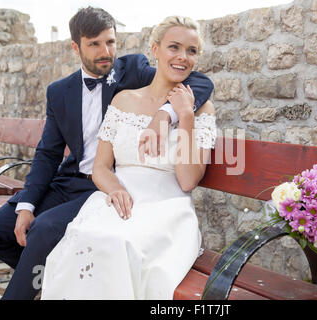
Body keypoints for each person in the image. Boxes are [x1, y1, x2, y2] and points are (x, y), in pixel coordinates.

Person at [0, 7, 213, 300]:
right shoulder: (61, 91)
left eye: (110, 42)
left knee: (45, 230)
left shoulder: (133, 71)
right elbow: (47, 154)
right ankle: (52, 278)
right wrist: (26, 205)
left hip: (114, 190)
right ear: (76, 46)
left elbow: (199, 80)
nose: (105, 51)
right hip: (76, 182)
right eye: (94, 43)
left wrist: (168, 114)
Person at [40, 15, 216, 300]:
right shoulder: (123, 100)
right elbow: (100, 168)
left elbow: (187, 181)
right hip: (119, 199)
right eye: (174, 47)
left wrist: (184, 116)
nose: (183, 57)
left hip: (166, 208)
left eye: (191, 51)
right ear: (155, 50)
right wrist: (115, 189)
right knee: (83, 240)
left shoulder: (200, 108)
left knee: (119, 242)